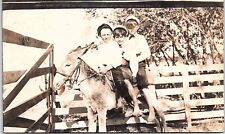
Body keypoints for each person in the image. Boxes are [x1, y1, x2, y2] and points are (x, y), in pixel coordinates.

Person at [123, 15, 165, 123]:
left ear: (137, 27)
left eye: (133, 26)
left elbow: (147, 53)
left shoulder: (141, 38)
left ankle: (151, 109)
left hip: (139, 62)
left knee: (141, 78)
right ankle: (129, 105)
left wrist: (136, 58)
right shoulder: (125, 40)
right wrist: (128, 57)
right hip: (128, 63)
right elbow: (124, 52)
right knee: (123, 80)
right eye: (128, 26)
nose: (131, 28)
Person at [113, 25, 141, 116]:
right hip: (116, 69)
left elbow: (133, 60)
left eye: (122, 37)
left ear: (125, 37)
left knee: (125, 81)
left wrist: (134, 73)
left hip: (126, 69)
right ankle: (116, 107)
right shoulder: (114, 47)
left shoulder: (128, 47)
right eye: (117, 37)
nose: (120, 39)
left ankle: (135, 105)